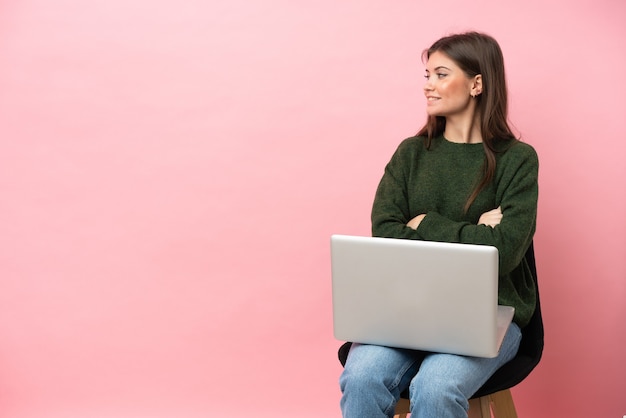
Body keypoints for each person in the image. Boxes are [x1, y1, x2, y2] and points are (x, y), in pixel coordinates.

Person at [338, 31, 538, 418]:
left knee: (437, 386)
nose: (427, 85)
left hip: (488, 315)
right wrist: (476, 232)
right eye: (427, 75)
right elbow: (386, 234)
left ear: (477, 83)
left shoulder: (517, 160)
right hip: (404, 313)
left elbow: (506, 251)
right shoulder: (411, 154)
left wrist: (425, 222)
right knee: (361, 378)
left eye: (441, 74)